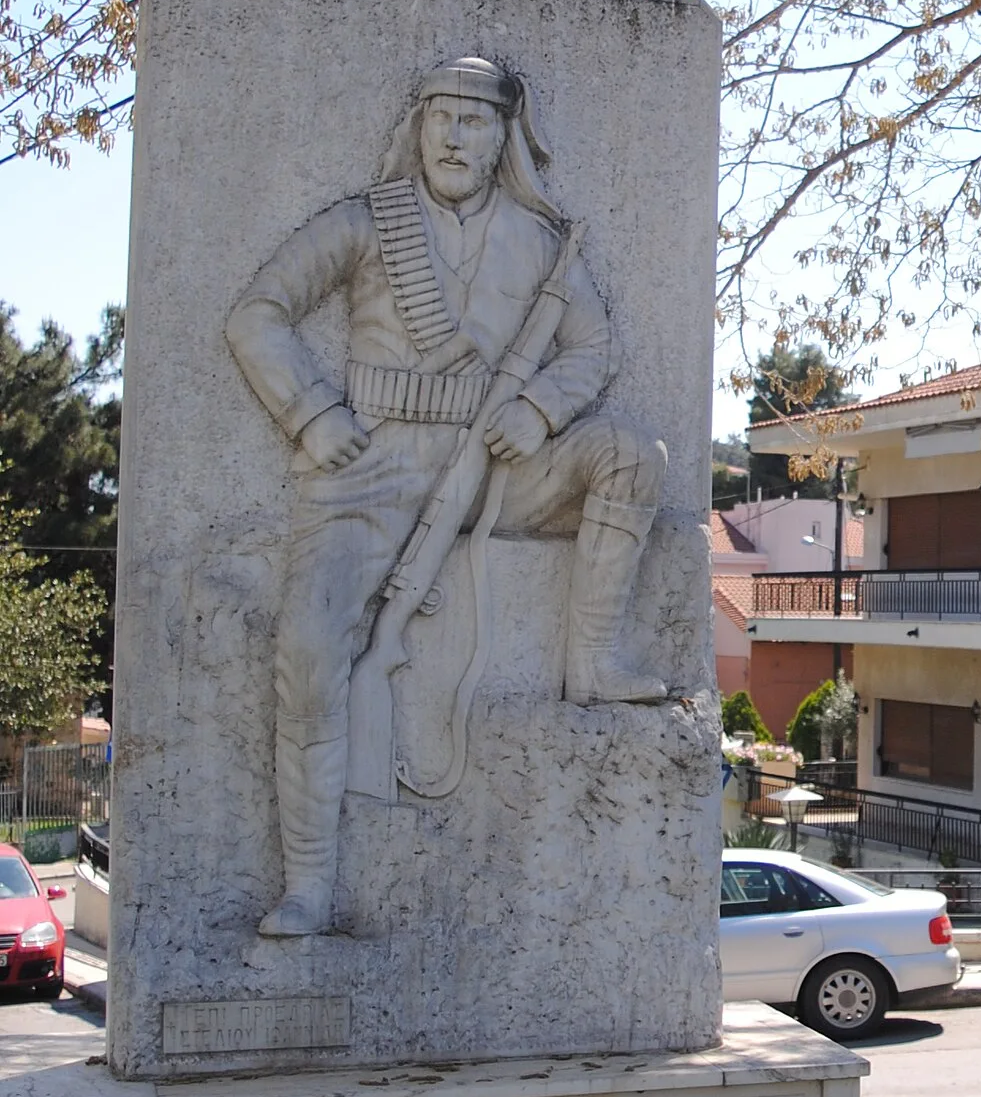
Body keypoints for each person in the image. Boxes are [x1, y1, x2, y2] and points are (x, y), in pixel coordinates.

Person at [226, 55, 667, 937]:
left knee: (630, 454)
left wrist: (540, 410)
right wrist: (314, 417)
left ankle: (594, 661)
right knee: (311, 652)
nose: (456, 136)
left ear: (503, 136)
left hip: (495, 467)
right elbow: (257, 312)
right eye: (442, 118)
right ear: (417, 126)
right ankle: (310, 883)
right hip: (371, 470)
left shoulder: (541, 242)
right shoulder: (367, 223)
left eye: (475, 120)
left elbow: (591, 346)